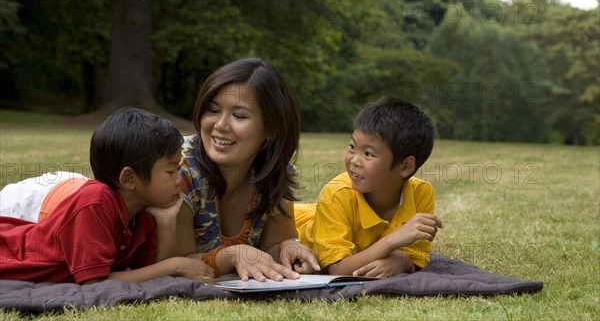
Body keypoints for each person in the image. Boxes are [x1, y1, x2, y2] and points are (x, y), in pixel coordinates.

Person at [0, 108, 214, 284]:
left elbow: (154, 271)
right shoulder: (95, 201)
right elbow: (94, 283)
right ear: (130, 178)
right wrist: (176, 265)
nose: (178, 179)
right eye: (170, 171)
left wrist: (166, 221)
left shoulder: (142, 209)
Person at [176, 57, 320, 282]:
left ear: (271, 127)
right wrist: (232, 255)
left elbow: (271, 247)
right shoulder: (179, 168)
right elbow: (175, 262)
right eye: (212, 110)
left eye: (239, 115)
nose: (220, 125)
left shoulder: (275, 173)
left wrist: (288, 249)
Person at [295, 96, 443, 277]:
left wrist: (402, 261)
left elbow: (415, 257)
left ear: (405, 167)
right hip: (294, 224)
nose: (354, 161)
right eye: (352, 147)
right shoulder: (336, 194)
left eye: (368, 154)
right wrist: (393, 240)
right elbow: (338, 269)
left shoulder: (421, 193)